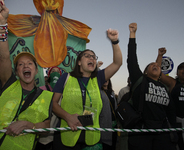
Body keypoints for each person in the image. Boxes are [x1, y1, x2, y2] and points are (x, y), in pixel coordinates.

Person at [52, 28, 122, 149]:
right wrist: (68, 117)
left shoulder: (98, 78)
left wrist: (115, 41)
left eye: (94, 57)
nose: (92, 59)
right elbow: (53, 104)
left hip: (91, 139)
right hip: (66, 137)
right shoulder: (66, 78)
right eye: (87, 56)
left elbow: (117, 63)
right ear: (79, 62)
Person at [0, 2, 53, 150]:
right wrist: (3, 23)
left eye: (30, 63)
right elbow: (4, 57)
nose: (25, 66)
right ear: (16, 72)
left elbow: (47, 126)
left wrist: (28, 125)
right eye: (20, 64)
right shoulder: (8, 83)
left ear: (36, 71)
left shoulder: (47, 96)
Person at [127, 22, 177, 150]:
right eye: (151, 65)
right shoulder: (140, 81)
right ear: (145, 71)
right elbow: (132, 59)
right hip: (141, 134)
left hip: (163, 135)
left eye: (158, 66)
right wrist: (133, 34)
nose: (155, 66)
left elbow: (171, 111)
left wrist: (173, 130)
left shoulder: (165, 88)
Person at [156, 48, 184, 150]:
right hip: (179, 125)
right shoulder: (173, 83)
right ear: (177, 72)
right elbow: (158, 73)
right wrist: (160, 56)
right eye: (182, 68)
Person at [100, 79, 118, 150]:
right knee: (106, 145)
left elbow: (115, 106)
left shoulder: (112, 92)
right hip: (104, 122)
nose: (106, 80)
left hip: (114, 123)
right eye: (104, 78)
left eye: (107, 78)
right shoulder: (99, 92)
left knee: (113, 144)